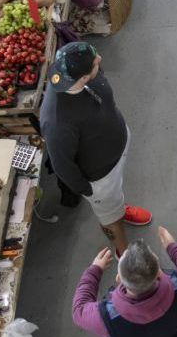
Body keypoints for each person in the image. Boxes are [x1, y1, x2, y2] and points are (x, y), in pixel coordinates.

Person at [38, 41, 152, 252]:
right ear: (82, 77)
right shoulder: (57, 121)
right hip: (100, 176)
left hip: (115, 148)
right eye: (94, 61)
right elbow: (62, 165)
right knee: (109, 215)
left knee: (114, 197)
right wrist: (90, 191)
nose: (99, 58)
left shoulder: (80, 73)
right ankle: (122, 252)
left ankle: (118, 208)